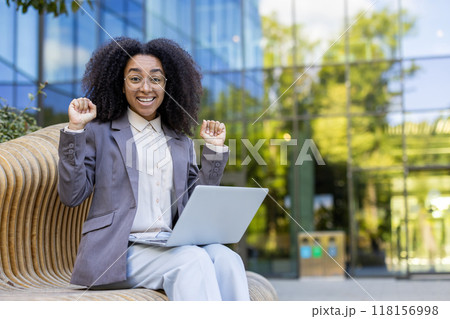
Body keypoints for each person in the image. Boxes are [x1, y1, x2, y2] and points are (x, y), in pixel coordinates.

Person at [57, 37, 250, 301]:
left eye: (156, 79)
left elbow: (195, 203)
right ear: (121, 85)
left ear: (167, 85)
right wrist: (76, 130)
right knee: (191, 260)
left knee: (227, 259)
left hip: (170, 244)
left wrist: (215, 151)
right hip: (120, 253)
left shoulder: (180, 140)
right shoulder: (99, 133)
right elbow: (72, 195)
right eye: (135, 78)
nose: (146, 87)